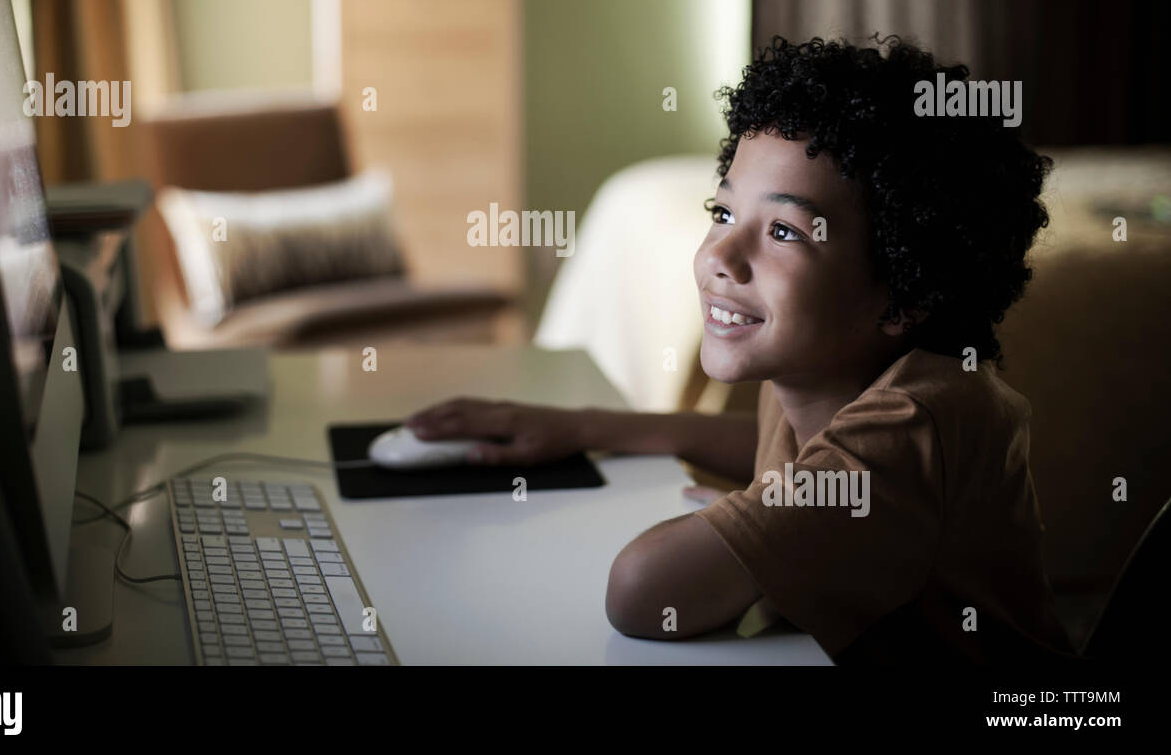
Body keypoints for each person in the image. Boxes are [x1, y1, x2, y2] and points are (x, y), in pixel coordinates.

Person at [406, 34, 1079, 664]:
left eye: (785, 231)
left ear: (905, 293)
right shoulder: (828, 378)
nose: (720, 254)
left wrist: (757, 523)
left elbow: (641, 592)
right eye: (724, 212)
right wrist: (583, 426)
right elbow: (768, 441)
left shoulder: (913, 425)